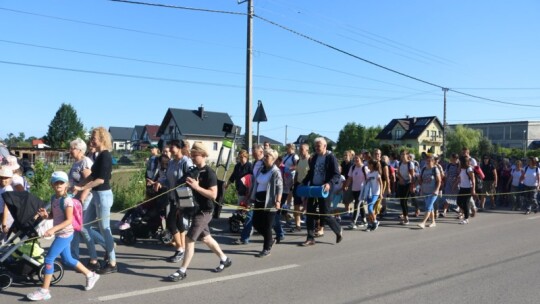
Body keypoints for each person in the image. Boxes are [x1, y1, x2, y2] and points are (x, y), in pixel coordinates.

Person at [27, 171, 100, 301]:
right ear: (52, 185)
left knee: (49, 259)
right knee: (67, 260)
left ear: (66, 184)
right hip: (60, 232)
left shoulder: (67, 201)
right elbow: (55, 216)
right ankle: (90, 275)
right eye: (56, 182)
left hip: (65, 233)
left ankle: (44, 291)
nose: (59, 185)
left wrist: (53, 229)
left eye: (61, 182)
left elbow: (68, 220)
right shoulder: (54, 198)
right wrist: (46, 216)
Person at [167, 142, 232, 281]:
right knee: (206, 238)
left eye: (194, 155)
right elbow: (181, 184)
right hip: (195, 210)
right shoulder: (193, 171)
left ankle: (182, 270)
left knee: (189, 239)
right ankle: (224, 259)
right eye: (191, 155)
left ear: (202, 155)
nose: (192, 158)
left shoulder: (210, 173)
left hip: (205, 211)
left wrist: (196, 187)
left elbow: (213, 195)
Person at [74, 127, 117, 274]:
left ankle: (112, 263)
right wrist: (76, 185)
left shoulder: (105, 156)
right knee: (84, 226)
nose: (92, 140)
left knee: (105, 229)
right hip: (96, 195)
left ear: (102, 139)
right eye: (92, 137)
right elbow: (92, 175)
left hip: (103, 195)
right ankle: (93, 260)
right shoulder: (99, 155)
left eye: (94, 138)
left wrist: (82, 189)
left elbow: (100, 180)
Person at [153, 139, 193, 263]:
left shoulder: (186, 161)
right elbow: (167, 179)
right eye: (169, 147)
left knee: (171, 222)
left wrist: (184, 184)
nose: (170, 150)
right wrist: (159, 182)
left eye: (172, 147)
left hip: (183, 198)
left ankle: (180, 249)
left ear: (179, 148)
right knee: (179, 223)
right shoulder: (171, 163)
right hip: (173, 197)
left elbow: (192, 178)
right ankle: (183, 249)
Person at [299, 137, 343, 246]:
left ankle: (338, 230)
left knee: (325, 214)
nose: (317, 148)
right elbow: (310, 173)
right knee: (310, 213)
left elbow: (337, 174)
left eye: (319, 146)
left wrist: (329, 184)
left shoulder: (330, 157)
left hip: (325, 189)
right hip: (314, 189)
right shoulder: (314, 158)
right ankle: (310, 238)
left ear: (325, 146)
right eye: (316, 146)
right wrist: (303, 182)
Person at [68, 138, 105, 264]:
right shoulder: (76, 162)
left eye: (72, 148)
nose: (70, 150)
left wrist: (82, 197)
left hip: (85, 199)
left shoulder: (85, 162)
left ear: (80, 150)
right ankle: (74, 255)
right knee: (76, 227)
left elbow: (89, 181)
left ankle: (106, 244)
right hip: (75, 199)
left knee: (83, 227)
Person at [249, 148, 283, 257]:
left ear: (273, 159)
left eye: (267, 156)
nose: (265, 157)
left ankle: (266, 248)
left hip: (270, 201)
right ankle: (270, 239)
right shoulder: (261, 170)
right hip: (259, 200)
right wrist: (251, 197)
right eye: (265, 155)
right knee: (256, 223)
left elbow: (279, 187)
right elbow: (256, 183)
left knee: (267, 225)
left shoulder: (275, 171)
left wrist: (278, 201)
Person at [232, 144, 264, 245]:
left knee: (269, 218)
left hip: (264, 194)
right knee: (249, 215)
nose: (254, 156)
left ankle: (279, 233)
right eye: (253, 154)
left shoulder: (265, 163)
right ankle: (244, 238)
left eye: (255, 154)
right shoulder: (255, 163)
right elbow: (252, 180)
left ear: (261, 152)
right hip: (253, 193)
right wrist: (249, 193)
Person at [343, 154, 368, 229]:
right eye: (355, 159)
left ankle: (353, 222)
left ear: (361, 159)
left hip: (362, 190)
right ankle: (364, 220)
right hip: (354, 189)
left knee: (356, 205)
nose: (356, 160)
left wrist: (367, 189)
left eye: (357, 159)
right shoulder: (353, 167)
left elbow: (368, 179)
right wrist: (346, 185)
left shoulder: (364, 168)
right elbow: (350, 178)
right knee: (360, 205)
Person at [417, 154, 441, 229]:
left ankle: (423, 222)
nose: (427, 162)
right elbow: (421, 180)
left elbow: (439, 181)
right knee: (430, 208)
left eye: (429, 160)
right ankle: (433, 222)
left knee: (428, 207)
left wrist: (436, 190)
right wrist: (421, 189)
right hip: (425, 192)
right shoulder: (424, 169)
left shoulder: (435, 169)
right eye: (427, 160)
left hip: (433, 192)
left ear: (433, 161)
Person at [291, 143, 310, 232]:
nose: (300, 151)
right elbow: (297, 173)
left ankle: (316, 225)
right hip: (298, 184)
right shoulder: (299, 161)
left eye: (302, 149)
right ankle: (297, 225)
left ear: (307, 150)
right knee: (296, 206)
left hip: (307, 185)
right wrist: (294, 184)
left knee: (309, 207)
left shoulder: (310, 160)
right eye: (299, 149)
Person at [396, 150, 415, 225]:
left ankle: (406, 218)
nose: (403, 156)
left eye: (404, 154)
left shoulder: (410, 164)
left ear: (407, 155)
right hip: (401, 183)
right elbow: (398, 172)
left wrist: (412, 185)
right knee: (401, 201)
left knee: (404, 201)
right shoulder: (400, 163)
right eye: (401, 154)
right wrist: (400, 178)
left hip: (408, 183)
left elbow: (412, 175)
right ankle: (404, 216)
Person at [456, 156, 476, 224]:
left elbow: (473, 180)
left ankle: (466, 219)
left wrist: (473, 190)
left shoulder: (469, 169)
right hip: (462, 188)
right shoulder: (462, 169)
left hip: (468, 188)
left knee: (465, 203)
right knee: (458, 202)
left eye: (460, 162)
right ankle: (467, 211)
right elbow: (461, 178)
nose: (459, 163)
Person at [363, 160, 382, 231]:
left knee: (370, 208)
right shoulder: (368, 173)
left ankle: (375, 221)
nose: (367, 165)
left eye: (368, 164)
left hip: (375, 193)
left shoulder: (376, 173)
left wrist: (381, 193)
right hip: (369, 193)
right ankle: (371, 223)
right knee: (368, 209)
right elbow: (367, 182)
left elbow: (381, 183)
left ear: (372, 165)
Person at [0, 167, 14, 242]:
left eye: (6, 178)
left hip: (5, 217)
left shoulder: (8, 189)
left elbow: (6, 207)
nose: (3, 180)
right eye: (1, 177)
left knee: (3, 239)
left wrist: (4, 223)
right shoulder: (1, 187)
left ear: (10, 179)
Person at [340, 150, 355, 216]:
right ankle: (347, 211)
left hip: (350, 182)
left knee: (349, 197)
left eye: (347, 155)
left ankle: (350, 211)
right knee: (345, 198)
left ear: (350, 157)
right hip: (344, 181)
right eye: (344, 155)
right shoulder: (343, 163)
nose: (345, 157)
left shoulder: (352, 164)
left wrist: (347, 183)